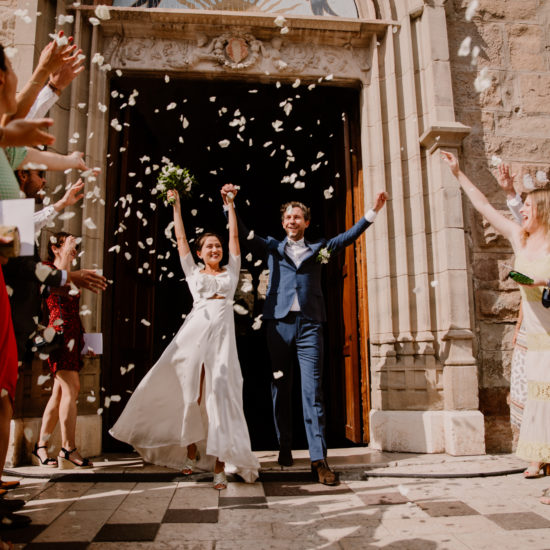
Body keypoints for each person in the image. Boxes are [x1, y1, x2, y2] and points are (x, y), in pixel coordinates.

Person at [221, 183, 388, 485]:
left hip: (310, 325)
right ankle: (285, 445)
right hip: (278, 326)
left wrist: (372, 212)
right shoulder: (273, 247)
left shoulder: (319, 250)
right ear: (282, 222)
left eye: (297, 217)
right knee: (280, 388)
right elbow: (245, 236)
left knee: (313, 393)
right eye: (288, 218)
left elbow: (347, 238)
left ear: (306, 222)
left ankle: (318, 460)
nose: (292, 222)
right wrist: (230, 205)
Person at [110, 187, 259, 489]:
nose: (216, 250)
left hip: (222, 342)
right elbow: (180, 239)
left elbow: (234, 239)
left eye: (217, 246)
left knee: (221, 397)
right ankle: (189, 449)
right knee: (192, 394)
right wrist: (176, 206)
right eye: (209, 247)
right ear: (201, 252)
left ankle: (220, 464)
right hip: (194, 337)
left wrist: (230, 205)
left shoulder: (232, 272)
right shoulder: (192, 272)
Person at [441, 150, 550, 504]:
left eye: (529, 208)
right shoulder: (519, 237)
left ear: (543, 212)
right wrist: (458, 173)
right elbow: (485, 206)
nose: (522, 211)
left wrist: (541, 281)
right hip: (535, 335)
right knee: (540, 404)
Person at [31, 232, 91, 468]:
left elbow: (75, 309)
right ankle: (68, 447)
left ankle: (41, 446)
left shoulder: (72, 275)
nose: (74, 251)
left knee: (59, 394)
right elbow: (57, 282)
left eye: (76, 248)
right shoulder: (47, 269)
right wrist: (65, 255)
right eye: (70, 246)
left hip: (74, 335)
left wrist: (87, 343)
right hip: (58, 334)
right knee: (72, 388)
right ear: (55, 248)